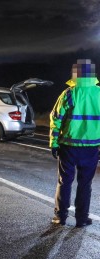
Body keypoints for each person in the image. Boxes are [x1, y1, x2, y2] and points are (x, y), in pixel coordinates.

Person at [50, 59, 100, 227]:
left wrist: (54, 143)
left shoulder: (69, 94)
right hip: (91, 148)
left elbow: (56, 119)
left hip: (68, 147)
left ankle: (60, 217)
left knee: (64, 182)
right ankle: (81, 219)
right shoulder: (99, 94)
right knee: (85, 185)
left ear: (76, 74)